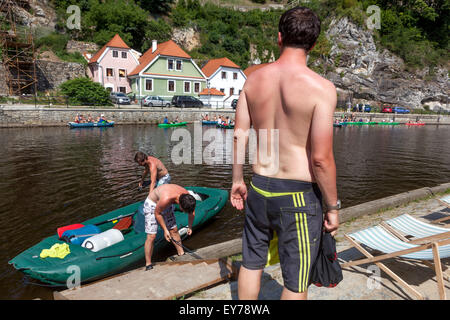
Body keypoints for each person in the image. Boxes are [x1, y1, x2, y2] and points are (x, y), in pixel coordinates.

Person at [231, 6, 339, 300]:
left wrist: (237, 180)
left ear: (279, 38)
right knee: (295, 280)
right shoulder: (322, 89)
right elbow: (321, 158)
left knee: (252, 263)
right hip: (298, 197)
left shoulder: (253, 81)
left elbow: (240, 134)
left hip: (258, 187)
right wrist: (332, 206)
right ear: (313, 44)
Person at [143, 184, 196, 270]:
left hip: (166, 204)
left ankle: (181, 254)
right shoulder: (166, 198)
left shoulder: (188, 198)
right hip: (152, 204)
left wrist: (190, 226)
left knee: (174, 230)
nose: (183, 212)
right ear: (180, 205)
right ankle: (148, 263)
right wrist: (165, 230)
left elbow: (192, 212)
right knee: (152, 236)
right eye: (183, 210)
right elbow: (157, 213)